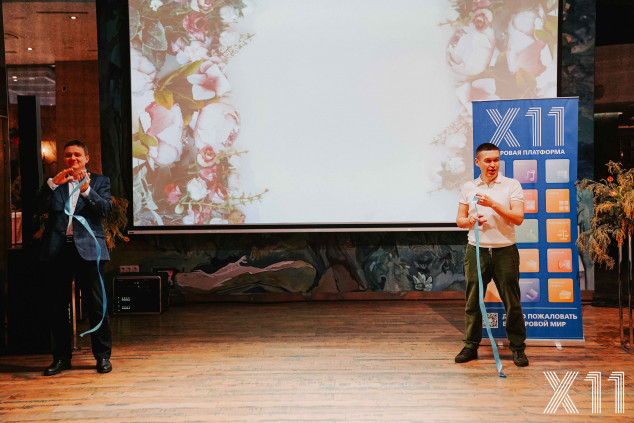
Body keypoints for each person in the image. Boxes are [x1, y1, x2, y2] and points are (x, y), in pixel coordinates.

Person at [35, 140, 114, 376]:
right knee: (57, 307)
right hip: (58, 249)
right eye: (68, 155)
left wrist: (87, 191)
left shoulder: (100, 181)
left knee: (96, 305)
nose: (73, 159)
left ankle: (102, 357)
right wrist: (51, 185)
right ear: (64, 158)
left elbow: (106, 210)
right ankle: (61, 358)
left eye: (78, 155)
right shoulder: (55, 182)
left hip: (88, 250)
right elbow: (37, 207)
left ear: (86, 158)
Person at [454, 142, 528, 367]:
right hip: (476, 250)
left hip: (505, 250)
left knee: (512, 302)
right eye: (488, 160)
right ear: (477, 162)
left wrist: (493, 204)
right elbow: (460, 220)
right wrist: (470, 221)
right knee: (473, 301)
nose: (493, 164)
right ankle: (471, 345)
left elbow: (518, 218)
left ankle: (518, 348)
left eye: (496, 160)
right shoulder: (468, 187)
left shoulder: (511, 185)